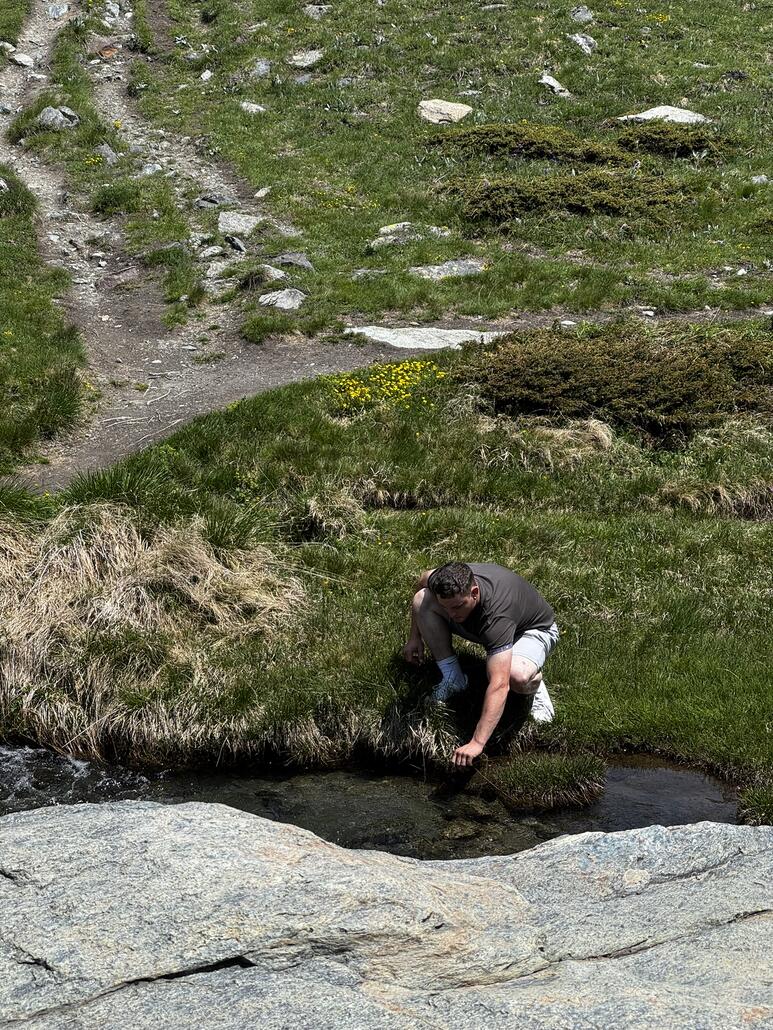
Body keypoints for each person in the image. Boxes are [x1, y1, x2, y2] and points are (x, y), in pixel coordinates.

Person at [402, 561, 559, 768]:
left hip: (531, 631)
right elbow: (423, 579)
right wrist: (415, 637)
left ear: (474, 592)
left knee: (515, 677)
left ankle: (535, 683)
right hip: (482, 623)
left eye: (458, 606)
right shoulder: (442, 583)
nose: (451, 615)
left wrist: (477, 742)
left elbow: (499, 685)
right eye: (445, 607)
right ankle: (453, 678)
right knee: (422, 599)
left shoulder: (497, 615)